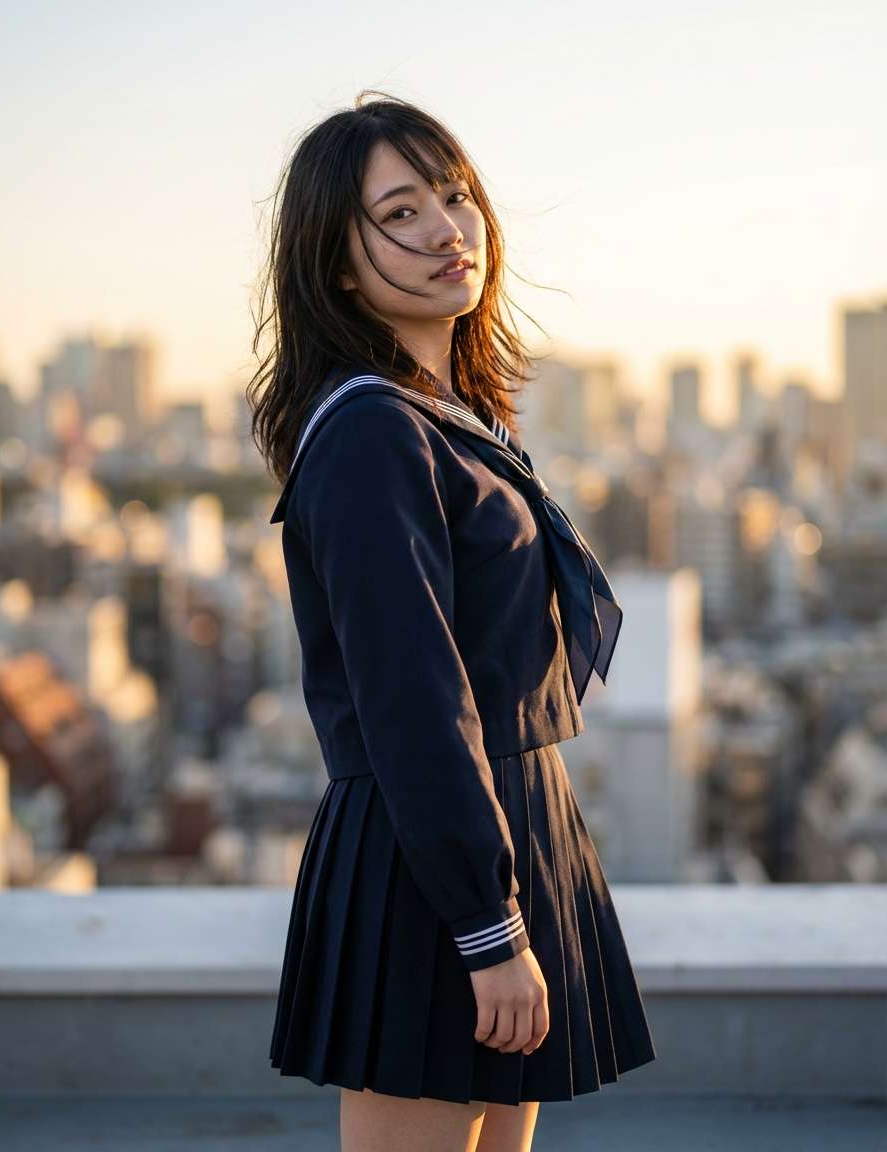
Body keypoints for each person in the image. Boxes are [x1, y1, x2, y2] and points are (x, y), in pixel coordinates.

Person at [247, 90, 657, 1152]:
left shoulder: (449, 417)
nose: (445, 229)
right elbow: (411, 700)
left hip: (507, 825)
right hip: (429, 856)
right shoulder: (370, 434)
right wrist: (487, 924)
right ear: (338, 267)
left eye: (454, 195)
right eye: (399, 214)